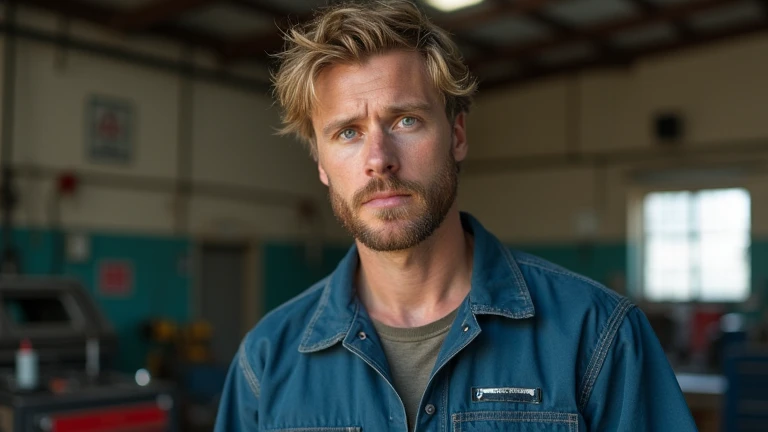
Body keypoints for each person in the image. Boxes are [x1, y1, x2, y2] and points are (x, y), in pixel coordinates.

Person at [214, 1, 698, 430]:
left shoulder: (596, 336)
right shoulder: (266, 361)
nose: (378, 158)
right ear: (321, 163)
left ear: (457, 135)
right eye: (347, 132)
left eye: (406, 120)